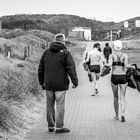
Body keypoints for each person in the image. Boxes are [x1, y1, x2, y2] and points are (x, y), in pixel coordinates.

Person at [38, 33, 78, 133]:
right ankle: (59, 127)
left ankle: (51, 126)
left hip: (49, 84)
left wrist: (41, 82)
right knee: (60, 105)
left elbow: (41, 69)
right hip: (61, 84)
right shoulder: (65, 52)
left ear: (54, 40)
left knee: (49, 105)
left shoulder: (46, 52)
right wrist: (75, 81)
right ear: (63, 41)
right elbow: (71, 68)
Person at [107, 40, 135, 122]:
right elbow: (126, 66)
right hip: (123, 77)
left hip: (114, 77)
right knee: (123, 97)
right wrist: (132, 67)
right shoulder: (125, 55)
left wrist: (105, 64)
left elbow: (109, 65)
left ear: (114, 47)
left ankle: (116, 115)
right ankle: (122, 114)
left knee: (115, 97)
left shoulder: (111, 55)